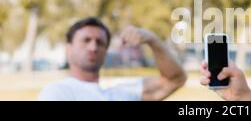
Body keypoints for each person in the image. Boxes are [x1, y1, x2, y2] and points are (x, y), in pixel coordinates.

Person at [39, 17, 186, 101]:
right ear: (69, 48)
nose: (93, 47)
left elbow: (175, 79)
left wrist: (153, 41)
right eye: (86, 40)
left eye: (100, 42)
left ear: (106, 50)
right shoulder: (57, 91)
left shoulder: (122, 92)